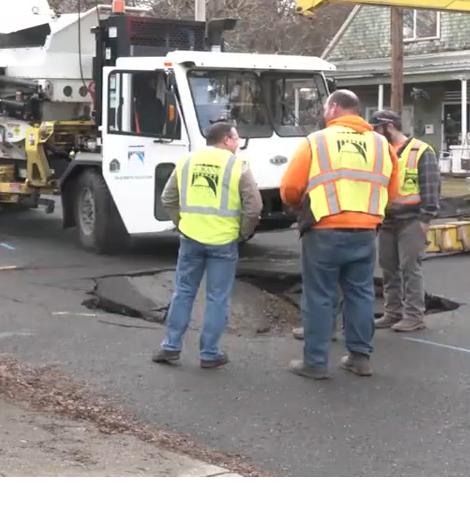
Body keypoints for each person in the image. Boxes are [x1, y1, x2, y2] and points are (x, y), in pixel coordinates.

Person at [279, 90, 399, 380]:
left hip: (324, 229)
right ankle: (359, 358)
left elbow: (290, 188)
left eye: (324, 108)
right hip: (365, 230)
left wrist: (301, 206)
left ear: (333, 108)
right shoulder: (382, 144)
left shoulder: (317, 141)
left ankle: (316, 363)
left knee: (320, 295)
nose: (323, 113)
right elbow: (392, 190)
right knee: (360, 294)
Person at [152, 122, 262, 369]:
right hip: (223, 241)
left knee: (183, 293)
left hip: (191, 238)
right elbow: (254, 207)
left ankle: (170, 347)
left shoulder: (187, 161)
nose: (238, 143)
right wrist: (243, 233)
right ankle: (209, 354)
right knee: (217, 298)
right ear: (225, 140)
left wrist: (182, 223)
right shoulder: (238, 166)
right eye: (236, 138)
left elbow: (168, 197)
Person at [371, 109, 441, 333]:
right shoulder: (380, 152)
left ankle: (414, 315)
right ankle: (393, 312)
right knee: (389, 268)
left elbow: (431, 187)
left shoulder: (421, 151)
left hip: (411, 219)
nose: (375, 133)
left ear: (389, 126)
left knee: (410, 268)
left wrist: (425, 218)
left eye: (377, 129)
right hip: (387, 220)